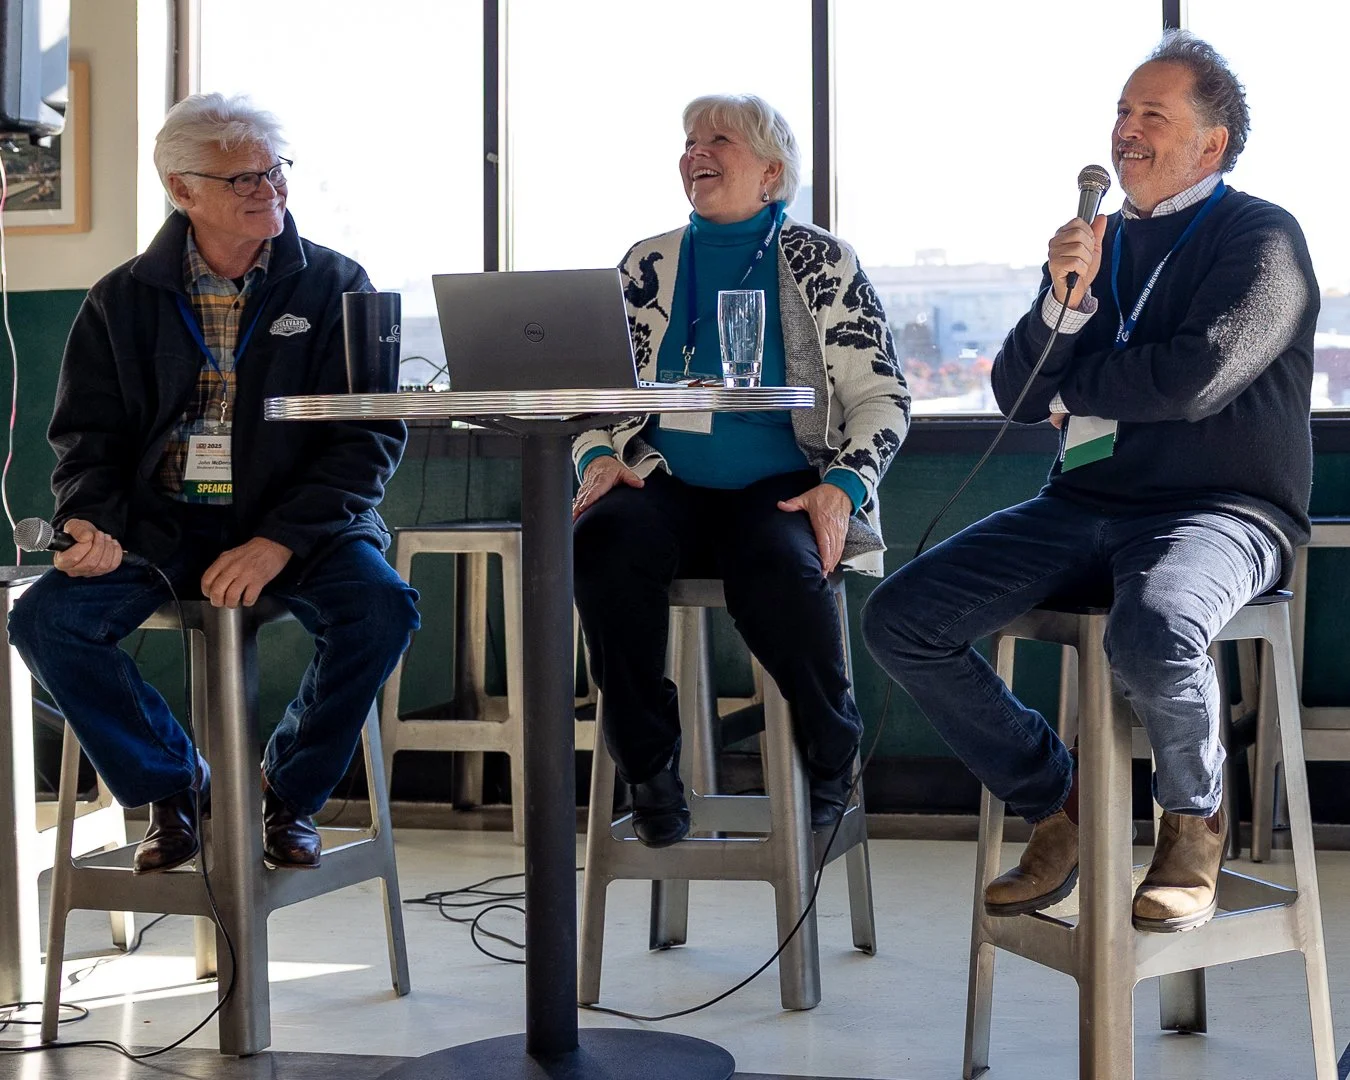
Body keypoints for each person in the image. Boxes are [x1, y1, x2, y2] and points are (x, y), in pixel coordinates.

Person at [862, 31, 1318, 933]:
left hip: (1222, 510)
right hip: (1084, 503)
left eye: (1154, 114)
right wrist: (1060, 303)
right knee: (900, 620)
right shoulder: (1093, 244)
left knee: (1152, 632)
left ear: (1212, 142)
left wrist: (1075, 383)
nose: (1127, 131)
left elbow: (1196, 378)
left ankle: (1191, 822)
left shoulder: (1261, 236)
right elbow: (1012, 392)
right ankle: (1061, 804)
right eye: (1121, 112)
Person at [8, 94, 419, 872]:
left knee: (381, 608)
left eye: (274, 171)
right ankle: (174, 786)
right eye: (242, 180)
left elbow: (367, 438)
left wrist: (279, 541)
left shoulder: (337, 283)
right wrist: (90, 523)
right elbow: (87, 442)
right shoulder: (119, 299)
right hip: (157, 524)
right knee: (45, 623)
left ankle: (289, 792)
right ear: (182, 190)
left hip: (304, 524)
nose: (268, 190)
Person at [572, 93, 910, 848]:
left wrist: (844, 486)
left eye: (718, 140)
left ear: (771, 172)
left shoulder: (822, 260)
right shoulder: (645, 263)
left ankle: (831, 749)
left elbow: (884, 396)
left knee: (775, 566)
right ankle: (651, 770)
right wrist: (597, 454)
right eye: (689, 141)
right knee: (601, 544)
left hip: (782, 480)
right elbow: (594, 391)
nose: (697, 153)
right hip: (661, 475)